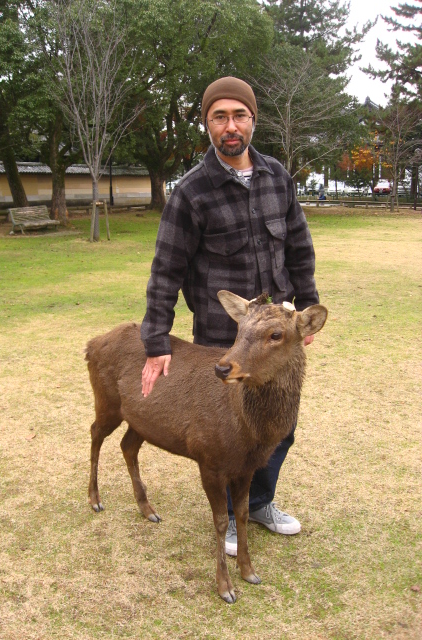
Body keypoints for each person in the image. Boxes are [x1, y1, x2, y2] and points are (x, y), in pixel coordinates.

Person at [140, 76, 319, 556]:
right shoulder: (191, 192)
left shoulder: (277, 176)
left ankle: (258, 502)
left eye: (239, 115)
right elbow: (166, 271)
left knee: (280, 427)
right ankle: (230, 518)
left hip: (279, 335)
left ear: (252, 121)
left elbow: (299, 248)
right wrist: (156, 341)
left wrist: (305, 309)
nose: (230, 125)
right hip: (225, 337)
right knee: (229, 437)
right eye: (219, 116)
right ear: (208, 124)